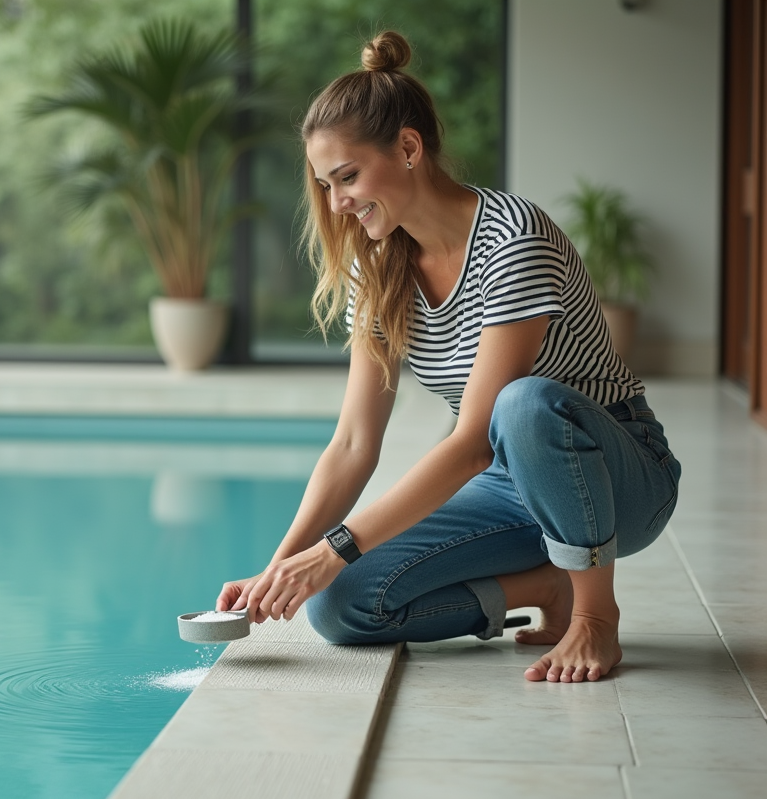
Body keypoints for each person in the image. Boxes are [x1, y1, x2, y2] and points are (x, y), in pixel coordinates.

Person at [215, 30, 682, 683]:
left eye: (347, 177)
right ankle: (549, 588)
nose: (336, 202)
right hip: (511, 484)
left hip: (620, 478)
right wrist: (283, 569)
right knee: (341, 603)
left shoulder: (513, 237)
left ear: (408, 148)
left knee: (525, 403)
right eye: (325, 185)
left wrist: (339, 545)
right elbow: (353, 442)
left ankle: (595, 619)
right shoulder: (375, 268)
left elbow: (472, 443)